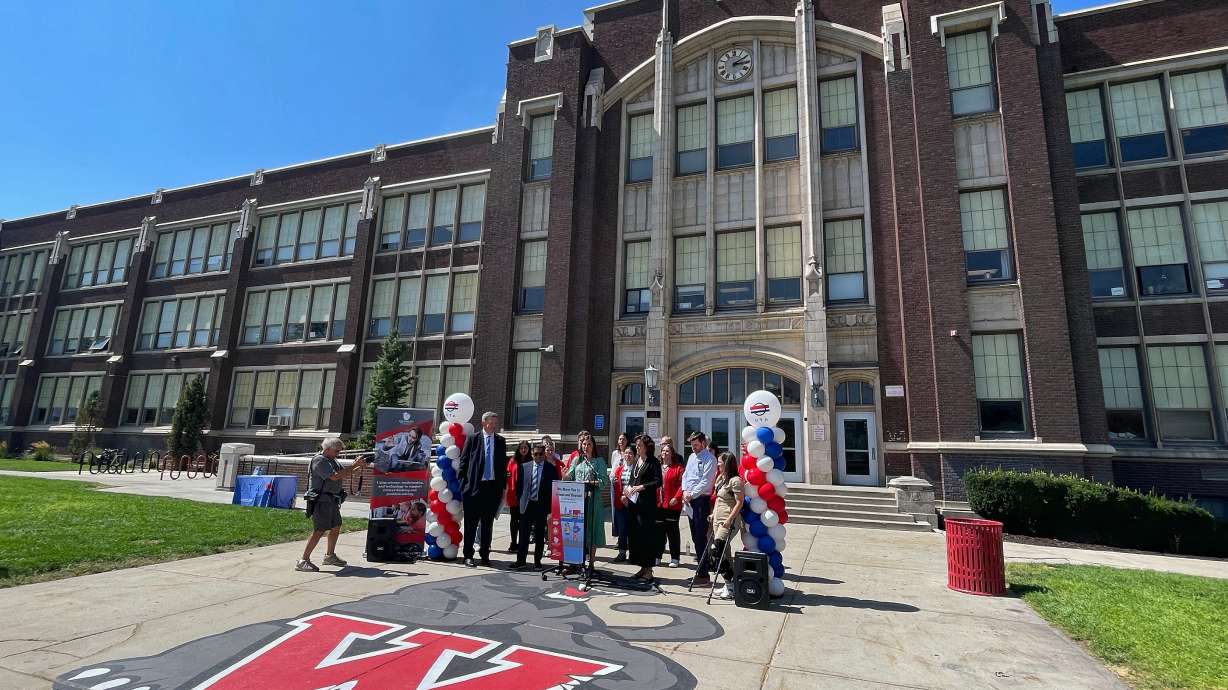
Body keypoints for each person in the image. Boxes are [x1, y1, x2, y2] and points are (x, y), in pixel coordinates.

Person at [297, 438, 368, 572]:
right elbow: (335, 476)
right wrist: (354, 466)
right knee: (319, 530)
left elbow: (343, 474)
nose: (339, 453)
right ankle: (303, 561)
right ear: (327, 448)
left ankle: (330, 556)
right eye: (337, 451)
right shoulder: (320, 460)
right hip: (321, 501)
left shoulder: (332, 460)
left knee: (336, 526)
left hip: (332, 500)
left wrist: (359, 466)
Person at [458, 411, 508, 568]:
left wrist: (501, 488)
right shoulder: (473, 439)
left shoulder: (500, 441)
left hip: (491, 489)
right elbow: (463, 463)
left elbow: (502, 467)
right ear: (484, 423)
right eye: (491, 423)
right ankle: (468, 556)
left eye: (495, 423)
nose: (494, 426)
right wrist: (464, 486)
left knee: (487, 525)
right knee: (471, 524)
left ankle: (485, 555)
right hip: (473, 488)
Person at [700, 452, 744, 600]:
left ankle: (731, 585)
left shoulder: (735, 481)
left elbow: (739, 502)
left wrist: (730, 519)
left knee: (717, 549)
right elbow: (718, 500)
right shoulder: (721, 479)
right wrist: (713, 515)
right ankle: (729, 584)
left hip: (728, 521)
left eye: (720, 462)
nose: (718, 464)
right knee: (725, 554)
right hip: (717, 520)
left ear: (727, 463)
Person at [564, 432, 609, 565]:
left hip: (593, 501)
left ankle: (591, 563)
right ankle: (575, 562)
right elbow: (569, 477)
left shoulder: (599, 461)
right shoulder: (577, 460)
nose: (586, 446)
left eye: (589, 444)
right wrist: (564, 474)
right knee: (577, 532)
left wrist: (589, 482)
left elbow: (603, 481)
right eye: (584, 444)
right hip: (577, 501)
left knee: (592, 530)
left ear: (593, 446)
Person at [512, 443, 558, 570]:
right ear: (531, 454)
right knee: (524, 535)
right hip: (527, 504)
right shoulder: (524, 467)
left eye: (540, 454)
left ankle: (537, 562)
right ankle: (520, 561)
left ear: (544, 454)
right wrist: (520, 500)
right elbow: (519, 486)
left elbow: (553, 489)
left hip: (541, 506)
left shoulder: (550, 469)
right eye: (535, 454)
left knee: (539, 535)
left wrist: (550, 508)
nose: (537, 456)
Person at [624, 434, 663, 581]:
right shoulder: (636, 461)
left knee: (647, 537)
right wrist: (627, 491)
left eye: (640, 445)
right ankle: (642, 567)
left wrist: (642, 487)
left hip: (647, 506)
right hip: (635, 505)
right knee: (636, 536)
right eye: (636, 445)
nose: (637, 447)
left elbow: (658, 482)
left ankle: (649, 570)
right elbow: (632, 480)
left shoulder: (653, 462)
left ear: (647, 446)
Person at [682, 430, 718, 588]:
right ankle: (700, 570)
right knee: (695, 537)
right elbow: (685, 476)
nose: (694, 448)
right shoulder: (691, 457)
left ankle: (703, 574)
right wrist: (684, 491)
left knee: (701, 537)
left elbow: (707, 482)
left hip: (701, 501)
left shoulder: (710, 459)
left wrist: (692, 494)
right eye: (692, 445)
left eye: (696, 445)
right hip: (689, 501)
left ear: (703, 443)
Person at [657, 437, 684, 568]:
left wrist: (677, 497)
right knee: (659, 531)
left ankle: (675, 558)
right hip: (659, 505)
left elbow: (682, 485)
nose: (665, 453)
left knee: (672, 531)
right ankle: (657, 555)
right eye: (663, 451)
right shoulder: (657, 467)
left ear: (672, 454)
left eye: (667, 451)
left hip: (673, 504)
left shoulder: (678, 468)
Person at [609, 432, 632, 562]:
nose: (628, 456)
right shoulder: (619, 468)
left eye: (630, 454)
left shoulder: (635, 469)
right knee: (622, 526)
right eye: (619, 438)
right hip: (620, 501)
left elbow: (635, 483)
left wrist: (627, 496)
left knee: (632, 527)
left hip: (632, 502)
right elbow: (615, 475)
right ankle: (622, 552)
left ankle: (633, 553)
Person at [505, 440, 531, 553]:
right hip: (514, 495)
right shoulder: (512, 461)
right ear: (518, 449)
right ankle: (513, 542)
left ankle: (522, 543)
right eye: (522, 448)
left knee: (524, 521)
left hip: (526, 496)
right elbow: (508, 477)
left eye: (526, 448)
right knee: (514, 520)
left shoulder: (532, 461)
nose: (524, 450)